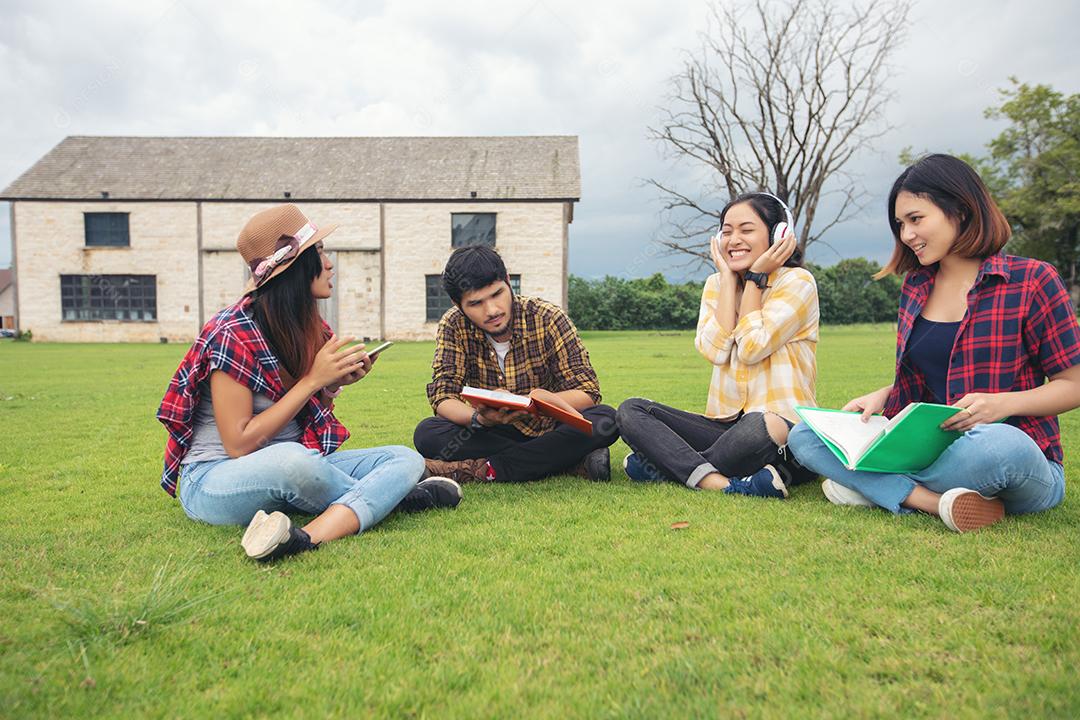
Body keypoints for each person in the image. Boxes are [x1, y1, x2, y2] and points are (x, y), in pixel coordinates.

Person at [788, 154, 1080, 532]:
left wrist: (1003, 405)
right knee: (805, 435)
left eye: (916, 219)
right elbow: (933, 376)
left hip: (1014, 457)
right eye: (900, 224)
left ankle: (871, 486)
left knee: (997, 445)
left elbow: (1073, 385)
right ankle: (928, 500)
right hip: (933, 446)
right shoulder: (916, 287)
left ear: (959, 209)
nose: (907, 235)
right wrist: (885, 393)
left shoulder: (1033, 280)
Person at [157, 205, 461, 562]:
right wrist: (313, 380)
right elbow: (239, 444)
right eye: (319, 253)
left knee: (405, 459)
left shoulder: (308, 327)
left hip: (299, 470)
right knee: (293, 461)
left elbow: (300, 410)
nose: (330, 263)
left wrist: (330, 385)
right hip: (215, 480)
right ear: (294, 269)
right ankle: (396, 499)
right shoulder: (232, 334)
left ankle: (306, 537)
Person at [618, 192, 820, 498]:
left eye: (746, 230)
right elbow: (716, 350)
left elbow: (752, 346)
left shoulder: (797, 282)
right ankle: (726, 483)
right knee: (631, 410)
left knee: (756, 427)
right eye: (726, 231)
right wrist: (727, 280)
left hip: (782, 437)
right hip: (723, 427)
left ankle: (667, 467)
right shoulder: (716, 285)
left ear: (779, 235)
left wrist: (755, 280)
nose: (733, 239)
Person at [414, 245, 619, 483]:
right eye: (476, 303)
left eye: (497, 294)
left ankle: (487, 469)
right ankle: (570, 462)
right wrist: (479, 419)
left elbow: (587, 391)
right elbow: (443, 396)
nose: (492, 310)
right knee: (428, 433)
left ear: (508, 282)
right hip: (492, 430)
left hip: (551, 426)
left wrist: (530, 405)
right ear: (457, 303)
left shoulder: (548, 317)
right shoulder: (453, 324)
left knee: (606, 419)